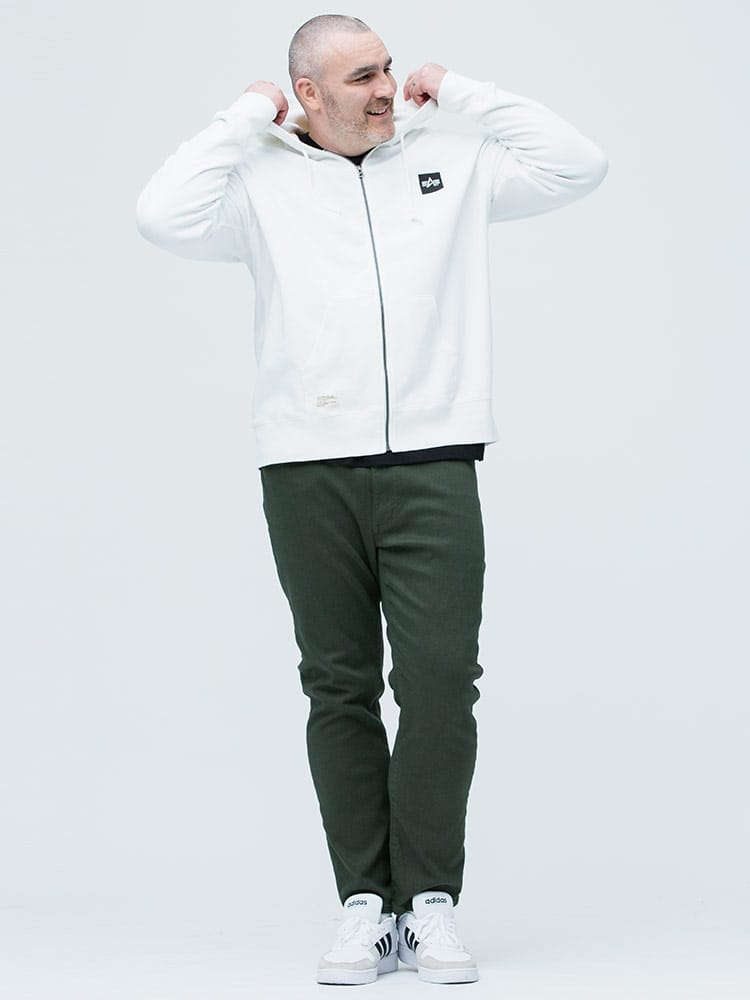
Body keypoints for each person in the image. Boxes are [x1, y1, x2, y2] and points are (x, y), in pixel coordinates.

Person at [135, 13, 608, 986]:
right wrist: (244, 117)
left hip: (435, 461)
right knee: (337, 684)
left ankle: (428, 901)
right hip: (306, 466)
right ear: (308, 92)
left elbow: (579, 165)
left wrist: (462, 91)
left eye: (387, 67)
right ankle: (365, 903)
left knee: (439, 682)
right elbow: (160, 215)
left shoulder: (449, 162)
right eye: (361, 76)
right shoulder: (258, 180)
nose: (387, 87)